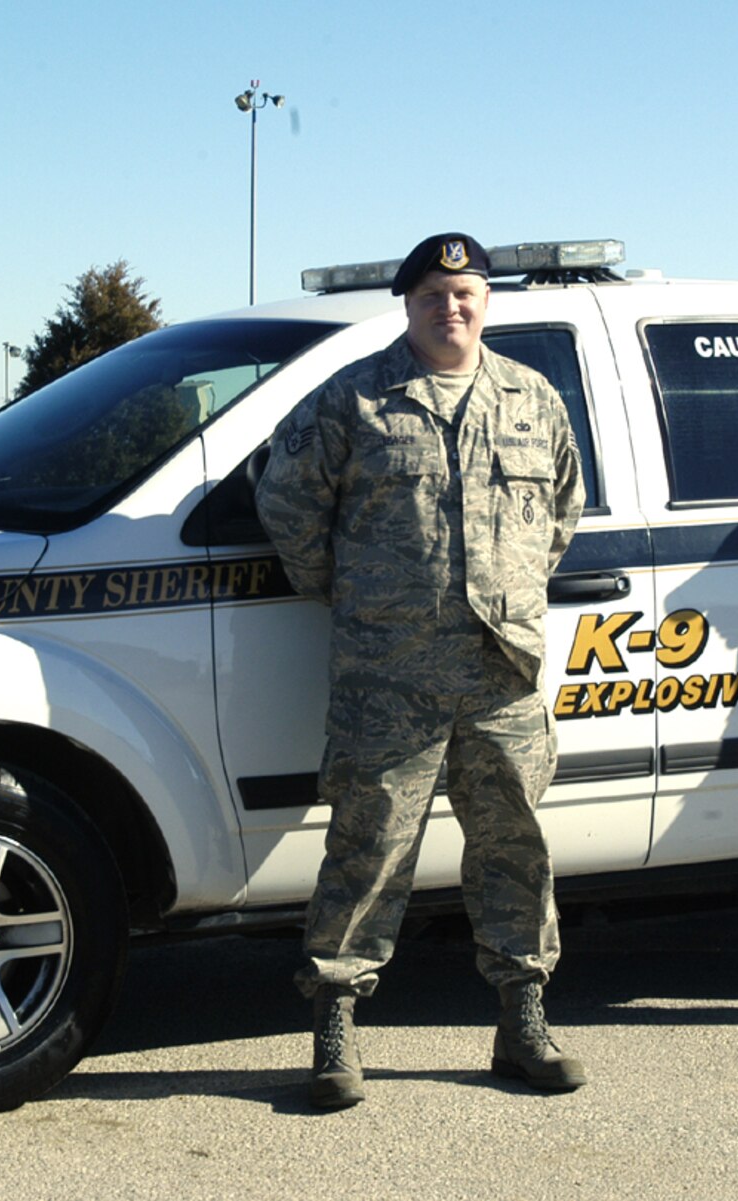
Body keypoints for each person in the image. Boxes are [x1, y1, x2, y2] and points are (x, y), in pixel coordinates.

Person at [255, 232, 586, 1109]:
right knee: (368, 850)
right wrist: (354, 596)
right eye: (435, 294)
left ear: (486, 302)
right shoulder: (353, 398)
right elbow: (285, 501)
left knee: (516, 848)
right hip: (387, 673)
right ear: (407, 305)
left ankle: (524, 1021)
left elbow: (561, 509)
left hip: (500, 670)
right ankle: (335, 1026)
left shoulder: (532, 399)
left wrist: (506, 592)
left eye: (467, 292)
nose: (453, 307)